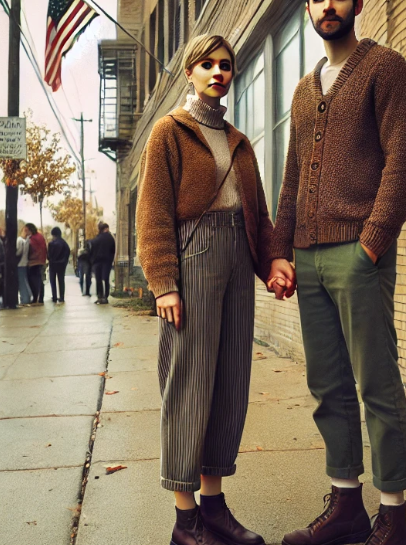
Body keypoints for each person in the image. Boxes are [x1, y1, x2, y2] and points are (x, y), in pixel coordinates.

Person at [269, 0, 406, 545]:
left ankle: (394, 515)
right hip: (307, 259)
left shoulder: (384, 68)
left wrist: (370, 245)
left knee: (376, 383)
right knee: (327, 386)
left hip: (356, 255)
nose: (327, 7)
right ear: (308, 10)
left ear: (357, 5)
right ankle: (346, 506)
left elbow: (404, 162)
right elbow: (290, 179)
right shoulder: (305, 91)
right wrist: (278, 252)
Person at [137, 34, 276, 545]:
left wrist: (272, 263)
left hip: (238, 258)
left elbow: (257, 215)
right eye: (207, 64)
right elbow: (151, 214)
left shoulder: (239, 142)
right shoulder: (169, 132)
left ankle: (214, 507)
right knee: (189, 386)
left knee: (229, 384)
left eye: (225, 65)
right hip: (192, 260)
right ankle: (185, 518)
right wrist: (164, 284)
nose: (218, 72)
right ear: (190, 72)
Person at [88, 223, 116, 305]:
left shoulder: (96, 239)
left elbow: (91, 250)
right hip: (107, 261)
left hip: (97, 262)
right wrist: (111, 260)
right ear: (106, 228)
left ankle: (99, 296)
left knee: (98, 279)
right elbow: (113, 250)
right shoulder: (110, 238)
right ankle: (105, 296)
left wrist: (92, 260)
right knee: (106, 279)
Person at [47, 226, 71, 303]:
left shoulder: (51, 244)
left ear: (53, 235)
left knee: (52, 281)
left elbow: (48, 255)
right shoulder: (64, 244)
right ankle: (61, 297)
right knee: (61, 281)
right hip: (61, 265)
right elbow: (67, 253)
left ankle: (54, 296)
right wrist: (64, 262)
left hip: (53, 264)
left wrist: (51, 260)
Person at [26, 223, 46, 304]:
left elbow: (31, 249)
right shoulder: (40, 237)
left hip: (33, 262)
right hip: (41, 261)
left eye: (26, 230)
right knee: (39, 280)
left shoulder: (32, 239)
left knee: (33, 280)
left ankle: (35, 298)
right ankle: (41, 298)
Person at [15, 225, 32, 307]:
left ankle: (25, 299)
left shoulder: (19, 240)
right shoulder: (28, 241)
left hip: (19, 264)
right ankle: (27, 297)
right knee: (24, 281)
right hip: (25, 263)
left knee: (22, 282)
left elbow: (18, 252)